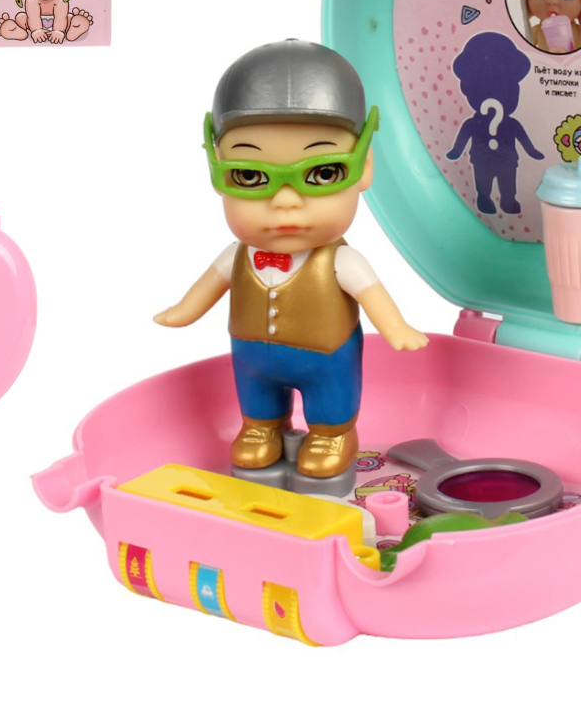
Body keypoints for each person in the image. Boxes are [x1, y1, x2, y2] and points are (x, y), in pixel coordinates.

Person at [155, 40, 428, 480]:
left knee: (332, 402)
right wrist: (183, 311)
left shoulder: (341, 262)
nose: (285, 201)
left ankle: (334, 434)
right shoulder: (237, 256)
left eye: (322, 173)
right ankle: (261, 427)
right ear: (216, 169)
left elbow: (373, 295)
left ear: (363, 167)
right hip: (251, 356)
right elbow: (206, 288)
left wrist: (396, 327)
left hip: (328, 357)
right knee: (256, 399)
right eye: (250, 176)